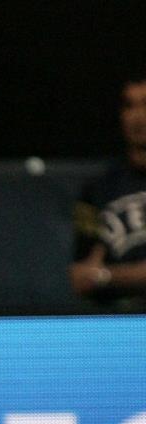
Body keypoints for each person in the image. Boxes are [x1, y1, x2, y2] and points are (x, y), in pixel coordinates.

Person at [70, 71, 146, 310]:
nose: (138, 117)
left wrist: (107, 276)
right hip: (120, 327)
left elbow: (96, 275)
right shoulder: (96, 191)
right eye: (129, 106)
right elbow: (80, 278)